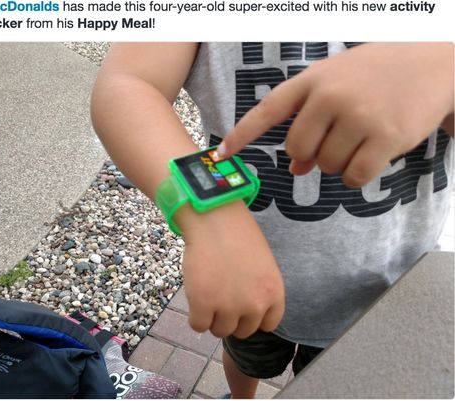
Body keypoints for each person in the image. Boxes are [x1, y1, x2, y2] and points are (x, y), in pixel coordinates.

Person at [91, 42, 454, 398]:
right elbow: (130, 81)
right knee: (245, 361)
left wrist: (443, 68)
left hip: (384, 292)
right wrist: (213, 208)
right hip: (246, 276)